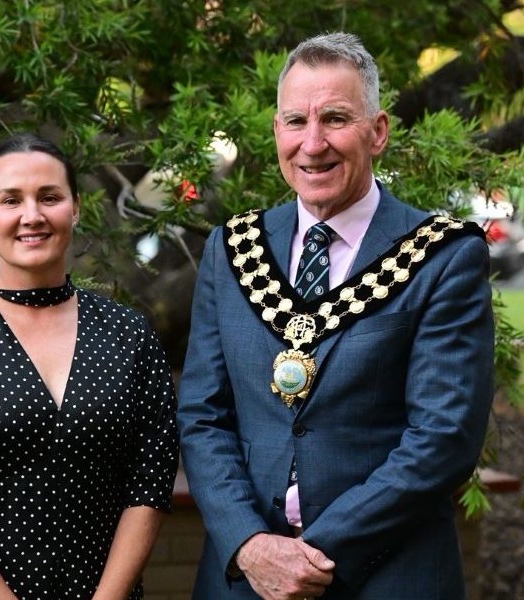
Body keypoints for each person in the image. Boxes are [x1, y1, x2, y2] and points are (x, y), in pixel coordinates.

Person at [177, 32, 494, 600]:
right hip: (244, 579)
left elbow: (444, 437)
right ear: (277, 132)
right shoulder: (231, 249)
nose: (313, 143)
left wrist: (313, 558)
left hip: (389, 575)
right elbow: (202, 417)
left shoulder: (442, 255)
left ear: (378, 133)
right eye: (296, 121)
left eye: (337, 119)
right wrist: (251, 545)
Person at [0, 133, 179, 600]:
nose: (32, 215)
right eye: (11, 200)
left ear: (76, 207)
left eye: (50, 197)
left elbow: (148, 485)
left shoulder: (129, 335)